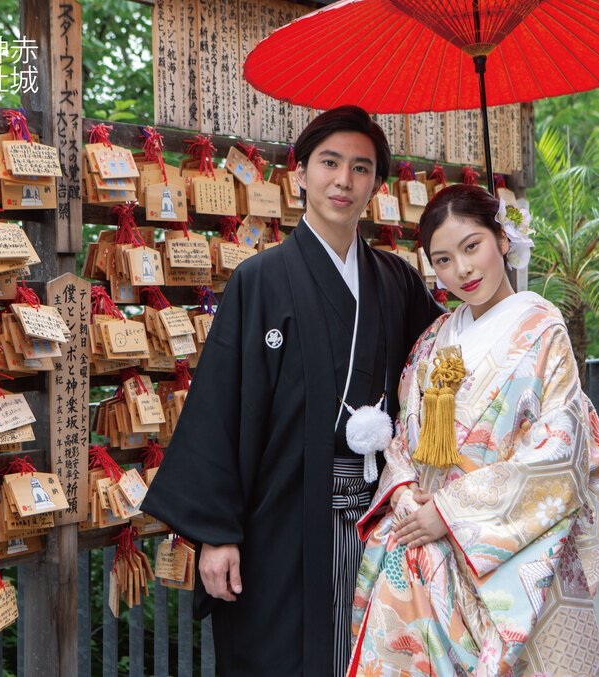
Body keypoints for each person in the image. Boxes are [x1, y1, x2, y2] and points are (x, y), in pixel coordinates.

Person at [141, 105, 443, 676]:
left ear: (376, 185)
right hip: (280, 518)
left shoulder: (397, 281)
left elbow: (451, 362)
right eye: (329, 163)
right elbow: (220, 409)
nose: (344, 180)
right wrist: (217, 533)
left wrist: (497, 271)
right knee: (279, 656)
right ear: (299, 173)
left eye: (361, 168)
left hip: (381, 515)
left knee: (376, 653)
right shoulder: (260, 280)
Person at [347, 184, 599, 677]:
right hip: (423, 543)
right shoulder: (435, 337)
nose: (462, 269)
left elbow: (559, 451)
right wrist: (405, 493)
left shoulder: (542, 329)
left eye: (472, 246)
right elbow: (405, 436)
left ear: (502, 238)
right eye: (443, 259)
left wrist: (451, 513)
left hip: (499, 551)